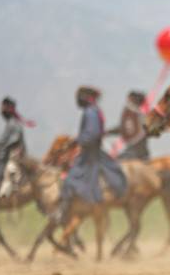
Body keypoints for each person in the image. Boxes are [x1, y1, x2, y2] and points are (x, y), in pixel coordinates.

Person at [51, 86, 128, 224]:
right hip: (92, 152)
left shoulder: (90, 112)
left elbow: (91, 134)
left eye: (79, 96)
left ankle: (63, 211)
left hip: (89, 155)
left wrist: (76, 141)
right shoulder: (94, 110)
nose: (77, 100)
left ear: (85, 98)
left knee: (69, 179)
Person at [0, 97, 37, 216]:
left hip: (14, 157)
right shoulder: (9, 124)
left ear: (9, 109)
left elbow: (13, 141)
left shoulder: (15, 124)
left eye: (3, 107)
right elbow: (1, 142)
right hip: (4, 155)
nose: (1, 110)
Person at [107, 90, 150, 161]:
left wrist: (106, 132)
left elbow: (124, 128)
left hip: (133, 154)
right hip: (141, 154)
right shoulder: (141, 115)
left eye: (128, 100)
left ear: (133, 100)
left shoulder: (134, 114)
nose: (127, 102)